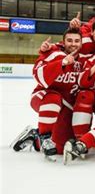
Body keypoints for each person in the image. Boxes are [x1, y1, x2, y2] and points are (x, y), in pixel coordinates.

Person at [12, 28, 88, 157]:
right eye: (69, 41)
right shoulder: (54, 54)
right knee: (53, 97)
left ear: (81, 43)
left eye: (76, 41)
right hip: (43, 97)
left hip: (65, 106)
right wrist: (62, 63)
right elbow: (38, 74)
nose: (73, 44)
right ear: (63, 42)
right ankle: (44, 136)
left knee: (59, 148)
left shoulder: (83, 60)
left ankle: (35, 136)